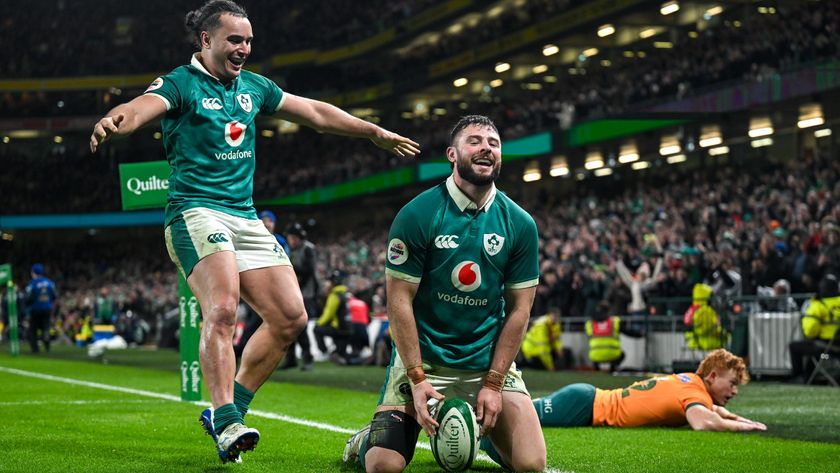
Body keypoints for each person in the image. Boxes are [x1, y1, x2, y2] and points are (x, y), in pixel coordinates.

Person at [89, 0, 419, 463]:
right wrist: (116, 119)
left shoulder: (255, 88)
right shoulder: (181, 83)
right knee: (223, 309)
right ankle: (227, 423)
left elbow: (316, 113)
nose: (244, 48)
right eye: (234, 40)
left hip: (245, 216)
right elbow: (144, 105)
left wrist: (371, 132)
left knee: (290, 317)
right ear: (206, 41)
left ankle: (229, 410)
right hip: (195, 213)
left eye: (248, 41)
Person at [343, 115, 546, 473]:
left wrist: (494, 383)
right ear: (452, 154)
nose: (486, 147)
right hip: (427, 361)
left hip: (486, 365)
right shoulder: (418, 214)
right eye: (475, 141)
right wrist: (418, 379)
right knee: (382, 467)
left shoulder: (520, 223)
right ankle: (364, 440)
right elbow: (399, 301)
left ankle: (481, 429)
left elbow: (520, 310)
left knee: (531, 466)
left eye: (493, 143)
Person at [534, 349, 767, 432]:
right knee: (517, 414)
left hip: (588, 400)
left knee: (521, 410)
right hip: (586, 405)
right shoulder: (695, 394)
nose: (734, 391)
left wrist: (747, 422)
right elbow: (705, 423)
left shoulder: (690, 382)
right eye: (732, 383)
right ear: (713, 376)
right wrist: (744, 428)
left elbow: (716, 412)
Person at [788, 274, 840, 383]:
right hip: (837, 352)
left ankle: (799, 377)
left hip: (826, 351)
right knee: (814, 351)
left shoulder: (819, 304)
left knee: (796, 347)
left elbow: (810, 331)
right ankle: (811, 378)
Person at [281, 222, 318, 370]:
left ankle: (307, 358)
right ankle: (291, 358)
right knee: (288, 325)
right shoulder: (289, 250)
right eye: (291, 238)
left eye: (294, 238)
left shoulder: (308, 249)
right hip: (292, 292)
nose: (292, 240)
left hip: (306, 294)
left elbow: (309, 271)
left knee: (301, 326)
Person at [314, 270, 352, 364]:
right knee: (341, 355)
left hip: (339, 329)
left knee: (316, 330)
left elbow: (328, 314)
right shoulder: (344, 294)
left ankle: (324, 353)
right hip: (348, 329)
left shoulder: (334, 295)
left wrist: (318, 323)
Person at [25, 263, 56, 353]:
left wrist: (27, 305)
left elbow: (29, 297)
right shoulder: (50, 282)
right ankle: (47, 343)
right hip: (47, 308)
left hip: (35, 309)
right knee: (46, 327)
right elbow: (54, 295)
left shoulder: (32, 284)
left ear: (34, 272)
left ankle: (35, 349)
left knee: (32, 329)